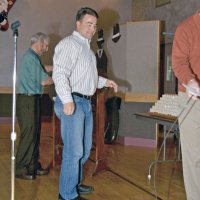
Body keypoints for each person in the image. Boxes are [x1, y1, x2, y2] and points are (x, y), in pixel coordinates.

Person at [52, 7, 118, 200]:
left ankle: (75, 185)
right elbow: (60, 73)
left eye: (95, 25)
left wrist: (106, 82)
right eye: (88, 24)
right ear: (78, 24)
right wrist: (67, 99)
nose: (92, 28)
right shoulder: (70, 44)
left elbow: (88, 79)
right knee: (74, 151)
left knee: (84, 149)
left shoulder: (87, 51)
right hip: (73, 101)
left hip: (85, 104)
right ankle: (67, 195)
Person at [15, 32, 54, 180]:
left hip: (32, 100)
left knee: (35, 134)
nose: (46, 48)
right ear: (39, 43)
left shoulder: (33, 58)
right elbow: (45, 81)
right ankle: (21, 169)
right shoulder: (31, 58)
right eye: (46, 45)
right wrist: (62, 75)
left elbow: (43, 68)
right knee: (29, 135)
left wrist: (56, 67)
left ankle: (32, 166)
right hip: (27, 100)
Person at [172, 10, 200, 200]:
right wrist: (190, 80)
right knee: (194, 156)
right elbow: (179, 62)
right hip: (192, 98)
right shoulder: (186, 28)